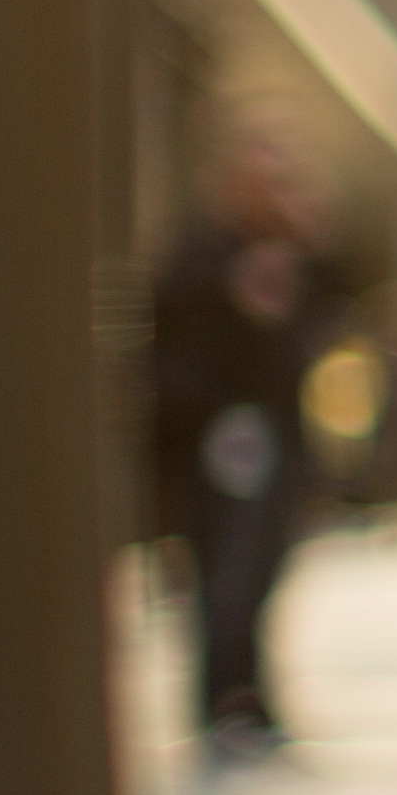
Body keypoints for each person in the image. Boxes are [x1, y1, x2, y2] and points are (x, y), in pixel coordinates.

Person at [142, 123, 358, 762]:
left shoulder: (293, 256)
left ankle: (254, 698)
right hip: (218, 438)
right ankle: (220, 704)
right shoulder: (200, 256)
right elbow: (176, 348)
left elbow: (336, 304)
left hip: (280, 433)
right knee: (223, 575)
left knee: (265, 569)